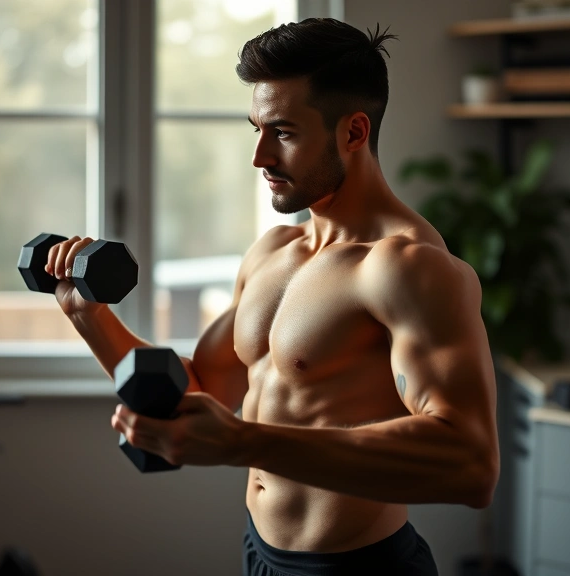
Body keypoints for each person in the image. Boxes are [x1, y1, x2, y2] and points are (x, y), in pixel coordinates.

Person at [49, 18, 498, 576]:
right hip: (260, 556)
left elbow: (471, 465)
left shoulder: (407, 268)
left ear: (354, 133)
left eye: (283, 132)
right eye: (256, 129)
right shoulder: (273, 252)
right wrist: (88, 316)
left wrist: (242, 442)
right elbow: (204, 390)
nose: (259, 156)